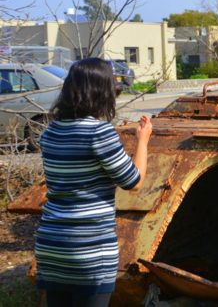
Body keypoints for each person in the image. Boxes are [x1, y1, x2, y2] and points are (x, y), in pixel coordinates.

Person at [35, 58, 151, 307]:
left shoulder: (51, 131)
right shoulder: (99, 132)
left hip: (51, 243)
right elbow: (134, 182)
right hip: (89, 247)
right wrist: (142, 141)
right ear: (103, 91)